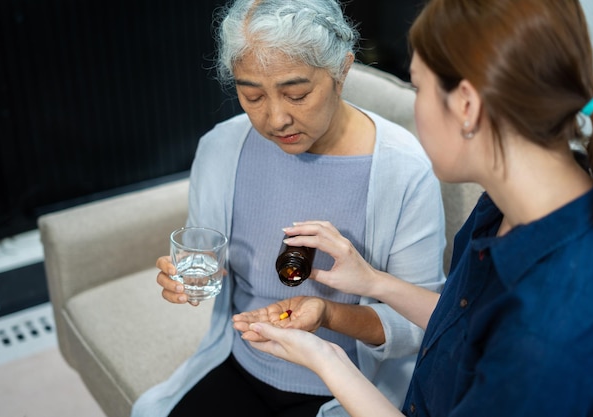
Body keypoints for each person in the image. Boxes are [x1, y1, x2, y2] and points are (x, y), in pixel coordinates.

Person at [236, 0, 593, 416]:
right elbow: (468, 320)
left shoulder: (548, 331)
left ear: (467, 106)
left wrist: (324, 358)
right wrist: (375, 282)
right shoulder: (509, 206)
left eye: (417, 88)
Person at [130, 0, 447, 416]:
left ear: (342, 71)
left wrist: (329, 314)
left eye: (296, 94)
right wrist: (187, 275)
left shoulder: (402, 171)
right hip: (242, 363)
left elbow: (420, 326)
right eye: (252, 95)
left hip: (346, 390)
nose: (276, 119)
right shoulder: (221, 149)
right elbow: (206, 251)